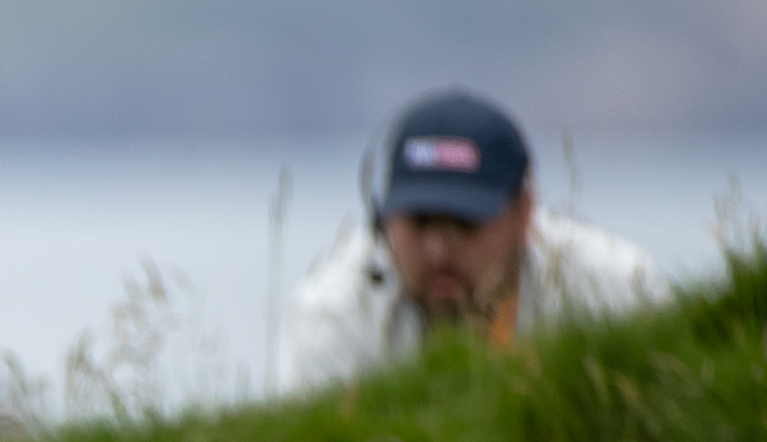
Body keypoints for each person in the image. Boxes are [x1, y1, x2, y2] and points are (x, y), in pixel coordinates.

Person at [278, 90, 662, 393]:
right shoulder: (332, 316)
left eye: (465, 224)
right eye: (419, 223)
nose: (438, 251)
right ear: (385, 220)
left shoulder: (618, 289)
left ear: (524, 212)